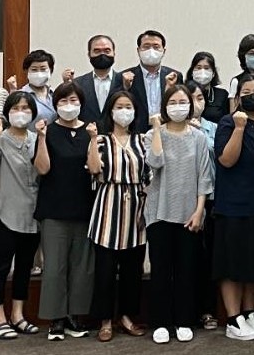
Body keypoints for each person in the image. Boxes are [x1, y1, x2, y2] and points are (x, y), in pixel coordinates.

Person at [144, 84, 213, 344]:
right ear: (164, 106)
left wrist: (199, 210)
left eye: (183, 102)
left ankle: (184, 320)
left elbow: (204, 176)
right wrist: (156, 127)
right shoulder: (152, 134)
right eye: (172, 102)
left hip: (189, 213)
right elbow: (155, 162)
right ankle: (160, 322)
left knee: (186, 270)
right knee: (161, 270)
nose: (178, 107)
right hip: (159, 212)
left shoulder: (199, 137)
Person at [214, 75, 254, 341]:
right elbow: (227, 160)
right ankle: (233, 318)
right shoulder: (228, 122)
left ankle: (250, 313)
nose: (253, 95)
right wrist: (239, 128)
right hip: (235, 206)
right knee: (233, 264)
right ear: (238, 97)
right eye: (247, 92)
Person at [33, 82, 95, 341]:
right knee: (55, 267)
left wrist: (94, 139)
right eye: (63, 101)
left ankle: (75, 317)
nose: (69, 106)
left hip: (85, 208)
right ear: (55, 105)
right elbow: (42, 168)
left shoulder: (91, 131)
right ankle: (56, 319)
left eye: (73, 101)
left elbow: (95, 168)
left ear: (81, 103)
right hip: (54, 209)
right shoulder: (48, 131)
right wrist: (41, 138)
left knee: (82, 267)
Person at [86, 91, 149, 342]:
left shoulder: (142, 140)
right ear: (111, 111)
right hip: (108, 206)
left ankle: (126, 316)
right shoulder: (101, 140)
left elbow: (151, 172)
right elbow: (93, 169)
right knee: (105, 270)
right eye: (119, 107)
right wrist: (92, 140)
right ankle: (104, 320)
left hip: (136, 207)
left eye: (128, 107)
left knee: (132, 269)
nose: (124, 111)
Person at [0, 92, 42, 339]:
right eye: (16, 108)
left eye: (26, 108)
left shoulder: (37, 138)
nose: (21, 113)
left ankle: (18, 315)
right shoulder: (1, 138)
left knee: (25, 266)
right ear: (7, 112)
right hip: (5, 211)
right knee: (1, 266)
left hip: (33, 214)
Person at [187, 81, 220, 332]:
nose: (195, 103)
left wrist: (200, 135)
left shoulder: (214, 128)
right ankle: (186, 311)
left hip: (209, 198)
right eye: (190, 98)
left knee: (208, 258)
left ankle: (208, 310)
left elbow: (219, 157)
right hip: (181, 201)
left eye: (199, 98)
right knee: (185, 259)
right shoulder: (169, 128)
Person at [124, 30, 184, 133]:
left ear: (163, 51)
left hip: (167, 131)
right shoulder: (126, 77)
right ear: (138, 50)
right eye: (146, 46)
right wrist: (125, 88)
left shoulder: (174, 76)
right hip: (135, 133)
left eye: (156, 47)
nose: (151, 51)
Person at [70, 35, 124, 124]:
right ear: (89, 55)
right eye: (97, 51)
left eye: (107, 51)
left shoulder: (124, 81)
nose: (102, 54)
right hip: (86, 132)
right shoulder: (77, 84)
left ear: (114, 53)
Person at [13, 49, 57, 126]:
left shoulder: (55, 94)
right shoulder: (20, 95)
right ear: (26, 71)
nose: (39, 73)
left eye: (43, 69)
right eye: (34, 69)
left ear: (50, 70)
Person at [186, 51, 229, 124]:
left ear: (213, 73)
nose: (202, 71)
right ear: (192, 72)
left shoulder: (222, 94)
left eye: (206, 68)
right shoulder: (184, 92)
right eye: (198, 68)